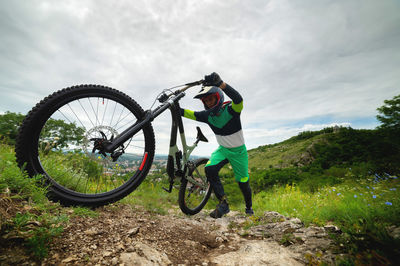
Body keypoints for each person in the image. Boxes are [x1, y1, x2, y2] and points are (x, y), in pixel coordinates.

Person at [180, 72, 254, 218]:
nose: (208, 103)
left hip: (239, 152)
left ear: (218, 98)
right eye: (206, 101)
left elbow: (238, 99)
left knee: (243, 182)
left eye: (211, 99)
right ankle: (223, 203)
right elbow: (189, 114)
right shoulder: (208, 116)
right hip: (223, 150)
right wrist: (172, 106)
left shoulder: (232, 110)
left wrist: (221, 84)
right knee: (210, 169)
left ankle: (249, 207)